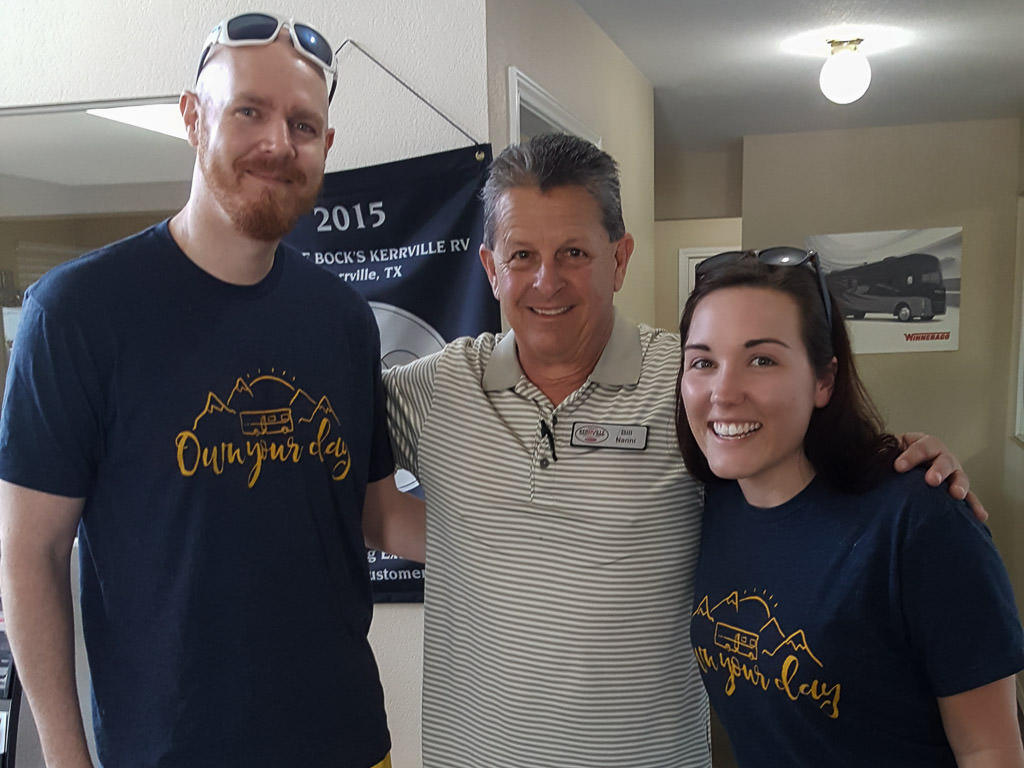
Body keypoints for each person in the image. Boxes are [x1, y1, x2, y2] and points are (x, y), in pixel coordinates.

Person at [381, 133, 981, 768]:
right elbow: (323, 451)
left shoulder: (694, 385)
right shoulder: (437, 388)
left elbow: (812, 469)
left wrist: (901, 468)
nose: (546, 281)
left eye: (574, 252)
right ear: (490, 268)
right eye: (522, 254)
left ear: (620, 259)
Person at [0, 13, 417, 768]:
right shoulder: (78, 313)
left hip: (351, 744)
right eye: (248, 111)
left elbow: (377, 512)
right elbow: (32, 552)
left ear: (325, 145)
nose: (278, 144)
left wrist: (550, 537)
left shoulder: (343, 319)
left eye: (303, 125)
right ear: (193, 118)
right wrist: (66, 760)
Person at [676, 248, 1024, 766]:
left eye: (762, 360)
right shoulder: (711, 504)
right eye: (703, 362)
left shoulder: (917, 521)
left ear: (824, 380)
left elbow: (990, 748)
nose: (723, 392)